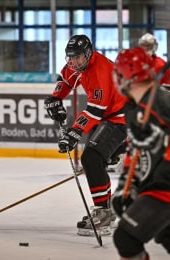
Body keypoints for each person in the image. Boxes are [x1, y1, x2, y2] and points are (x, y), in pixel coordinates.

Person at [111, 47, 170, 260]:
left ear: (125, 75)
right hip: (160, 182)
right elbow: (135, 149)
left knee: (126, 239)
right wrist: (126, 186)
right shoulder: (135, 106)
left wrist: (158, 139)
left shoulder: (161, 101)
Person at [44, 34, 129, 236]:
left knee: (92, 158)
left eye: (78, 57)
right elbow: (65, 79)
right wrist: (55, 99)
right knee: (95, 159)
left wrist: (74, 132)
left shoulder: (101, 70)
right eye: (70, 58)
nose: (73, 62)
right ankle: (106, 209)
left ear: (89, 54)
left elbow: (95, 110)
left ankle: (104, 213)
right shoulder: (78, 64)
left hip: (124, 117)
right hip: (109, 115)